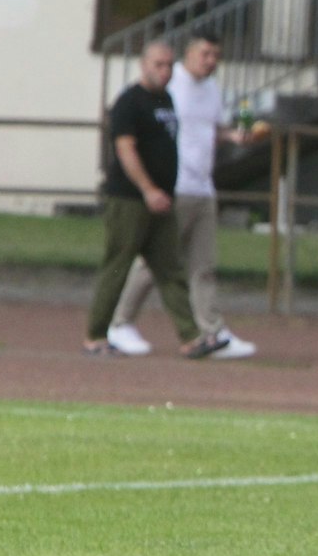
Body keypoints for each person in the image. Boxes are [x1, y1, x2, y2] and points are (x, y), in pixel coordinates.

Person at [106, 30, 259, 360]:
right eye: (205, 54)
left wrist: (234, 136)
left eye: (215, 56)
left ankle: (212, 331)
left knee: (204, 265)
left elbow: (210, 131)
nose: (211, 62)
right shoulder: (171, 89)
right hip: (176, 187)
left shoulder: (212, 90)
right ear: (187, 56)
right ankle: (119, 322)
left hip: (203, 187)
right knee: (155, 262)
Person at [85, 41, 228, 359]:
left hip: (163, 199)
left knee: (170, 269)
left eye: (168, 65)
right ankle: (96, 335)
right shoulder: (129, 102)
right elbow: (125, 150)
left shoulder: (166, 99)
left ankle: (192, 337)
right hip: (131, 199)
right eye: (158, 65)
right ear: (144, 64)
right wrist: (147, 189)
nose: (164, 71)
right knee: (118, 266)